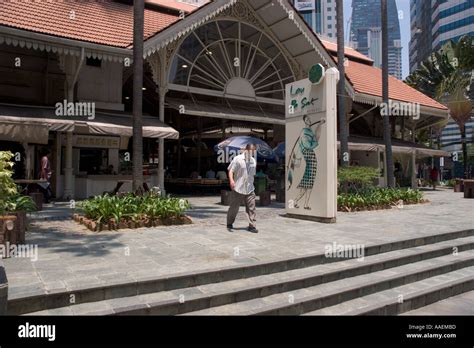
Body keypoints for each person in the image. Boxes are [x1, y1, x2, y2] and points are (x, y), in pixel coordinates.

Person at [287, 115, 325, 210]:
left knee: (309, 183)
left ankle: (305, 204)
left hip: (312, 159)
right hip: (309, 157)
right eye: (307, 119)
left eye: (309, 119)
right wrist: (314, 142)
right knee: (307, 183)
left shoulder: (310, 131)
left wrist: (319, 125)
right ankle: (298, 202)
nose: (309, 120)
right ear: (304, 121)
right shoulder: (304, 132)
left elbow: (316, 138)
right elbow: (308, 145)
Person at [227, 143, 258, 233]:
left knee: (251, 208)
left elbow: (252, 175)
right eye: (250, 151)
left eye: (253, 152)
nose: (251, 154)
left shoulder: (253, 161)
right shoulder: (238, 159)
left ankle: (252, 226)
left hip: (250, 188)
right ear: (246, 150)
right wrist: (232, 181)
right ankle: (229, 222)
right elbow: (230, 170)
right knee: (234, 208)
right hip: (238, 188)